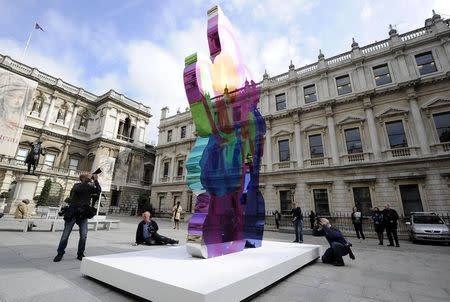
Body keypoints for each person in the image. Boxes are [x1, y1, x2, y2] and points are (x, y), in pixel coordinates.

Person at [53, 173, 101, 262]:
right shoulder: (77, 186)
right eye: (88, 177)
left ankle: (80, 253)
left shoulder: (89, 187)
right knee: (65, 235)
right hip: (72, 213)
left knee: (84, 235)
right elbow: (78, 190)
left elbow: (98, 191)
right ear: (82, 178)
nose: (90, 178)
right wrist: (87, 180)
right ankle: (60, 253)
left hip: (83, 214)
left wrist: (96, 180)